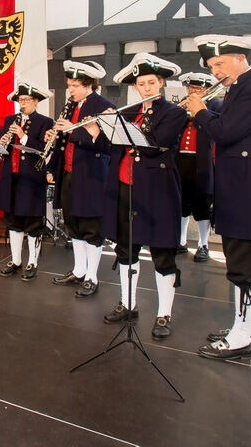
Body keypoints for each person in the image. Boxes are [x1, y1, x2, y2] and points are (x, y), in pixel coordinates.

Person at [185, 35, 251, 360]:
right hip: (246, 184)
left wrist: (199, 110)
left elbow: (225, 132)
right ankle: (248, 328)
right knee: (248, 264)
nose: (215, 72)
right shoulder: (246, 86)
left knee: (244, 265)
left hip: (249, 187)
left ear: (240, 57)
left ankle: (241, 335)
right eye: (212, 66)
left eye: (219, 64)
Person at [100, 54, 188, 339]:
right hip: (126, 186)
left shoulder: (174, 112)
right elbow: (114, 146)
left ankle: (164, 313)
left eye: (151, 82)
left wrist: (123, 127)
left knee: (162, 252)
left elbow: (155, 144)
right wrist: (100, 127)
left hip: (157, 191)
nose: (147, 88)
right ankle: (128, 303)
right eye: (141, 84)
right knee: (126, 249)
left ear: (161, 82)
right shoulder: (126, 112)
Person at [46, 60, 115, 298]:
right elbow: (67, 139)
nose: (70, 90)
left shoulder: (104, 106)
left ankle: (92, 276)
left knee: (91, 228)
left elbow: (108, 145)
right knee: (73, 224)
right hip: (69, 173)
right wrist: (54, 137)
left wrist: (72, 130)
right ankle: (78, 269)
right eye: (69, 85)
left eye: (75, 85)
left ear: (89, 85)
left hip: (92, 176)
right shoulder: (71, 105)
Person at [0, 82, 53, 281]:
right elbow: (7, 146)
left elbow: (43, 150)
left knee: (32, 222)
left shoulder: (46, 122)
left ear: (36, 101)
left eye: (26, 100)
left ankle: (33, 262)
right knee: (14, 221)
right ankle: (16, 260)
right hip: (11, 177)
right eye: (20, 100)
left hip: (32, 179)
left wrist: (23, 136)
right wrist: (4, 141)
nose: (23, 103)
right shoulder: (11, 119)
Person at [175, 72, 221, 262]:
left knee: (202, 204)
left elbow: (217, 126)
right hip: (181, 160)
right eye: (191, 89)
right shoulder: (182, 105)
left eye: (198, 89)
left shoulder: (215, 106)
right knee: (181, 203)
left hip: (203, 162)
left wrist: (199, 111)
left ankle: (203, 244)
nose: (193, 92)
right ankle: (181, 241)